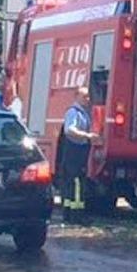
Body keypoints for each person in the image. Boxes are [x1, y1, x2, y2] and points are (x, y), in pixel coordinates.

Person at [60, 87, 99, 223]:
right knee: (75, 184)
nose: (88, 99)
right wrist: (87, 135)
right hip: (73, 152)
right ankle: (75, 216)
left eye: (88, 97)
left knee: (76, 183)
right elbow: (69, 130)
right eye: (85, 96)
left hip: (80, 152)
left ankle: (71, 215)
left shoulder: (84, 113)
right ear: (76, 96)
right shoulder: (73, 112)